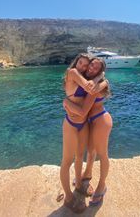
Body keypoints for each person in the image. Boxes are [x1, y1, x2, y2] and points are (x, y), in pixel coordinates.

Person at [60, 54, 108, 213]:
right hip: (71, 124)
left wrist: (102, 78)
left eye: (86, 65)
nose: (83, 67)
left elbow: (92, 89)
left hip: (84, 124)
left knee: (80, 155)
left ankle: (79, 185)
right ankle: (68, 196)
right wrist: (100, 77)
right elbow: (88, 87)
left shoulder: (85, 77)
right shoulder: (72, 72)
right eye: (81, 63)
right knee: (67, 160)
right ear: (76, 62)